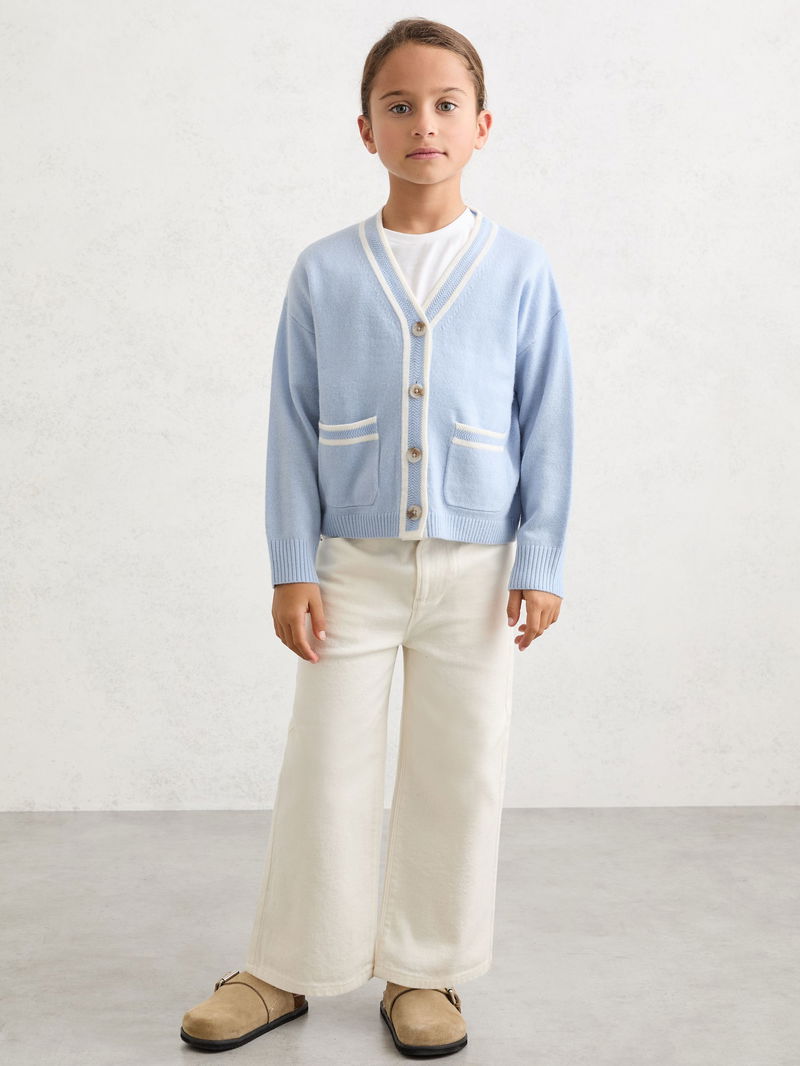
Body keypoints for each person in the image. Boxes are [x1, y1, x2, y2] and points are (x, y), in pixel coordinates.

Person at [180, 16, 574, 1058]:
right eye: (399, 105)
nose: (423, 123)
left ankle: (425, 970)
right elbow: (288, 427)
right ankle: (286, 966)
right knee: (327, 764)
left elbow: (549, 422)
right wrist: (290, 565)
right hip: (348, 564)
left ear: (482, 124)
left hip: (478, 568)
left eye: (445, 104)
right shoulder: (325, 271)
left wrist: (540, 557)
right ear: (365, 129)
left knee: (458, 769)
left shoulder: (519, 269)